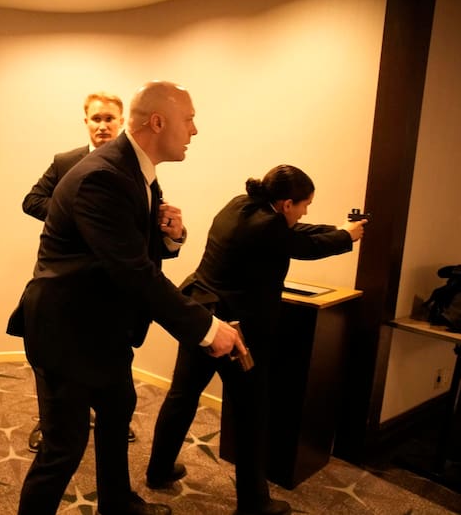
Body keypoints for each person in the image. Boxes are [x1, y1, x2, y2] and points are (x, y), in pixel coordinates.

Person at [7, 80, 245, 515]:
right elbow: (134, 272)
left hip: (105, 326)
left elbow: (136, 253)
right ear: (158, 122)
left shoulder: (137, 171)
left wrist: (171, 239)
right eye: (189, 120)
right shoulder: (104, 176)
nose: (194, 130)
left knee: (117, 413)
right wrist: (208, 329)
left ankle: (116, 504)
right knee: (64, 447)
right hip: (68, 331)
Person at [145, 165, 366, 515]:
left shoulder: (242, 204)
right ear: (287, 203)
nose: (306, 212)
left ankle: (158, 470)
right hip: (237, 331)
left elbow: (297, 230)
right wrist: (346, 238)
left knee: (181, 396)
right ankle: (254, 503)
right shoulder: (269, 228)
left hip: (202, 314)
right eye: (305, 205)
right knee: (251, 414)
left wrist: (339, 229)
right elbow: (304, 245)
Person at [22, 91, 136, 451]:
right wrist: (77, 217)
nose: (102, 125)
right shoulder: (65, 162)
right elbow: (31, 201)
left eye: (109, 118)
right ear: (86, 121)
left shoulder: (135, 165)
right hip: (63, 282)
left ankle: (112, 417)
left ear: (121, 122)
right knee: (56, 359)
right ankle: (50, 424)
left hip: (108, 283)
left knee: (107, 354)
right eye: (96, 118)